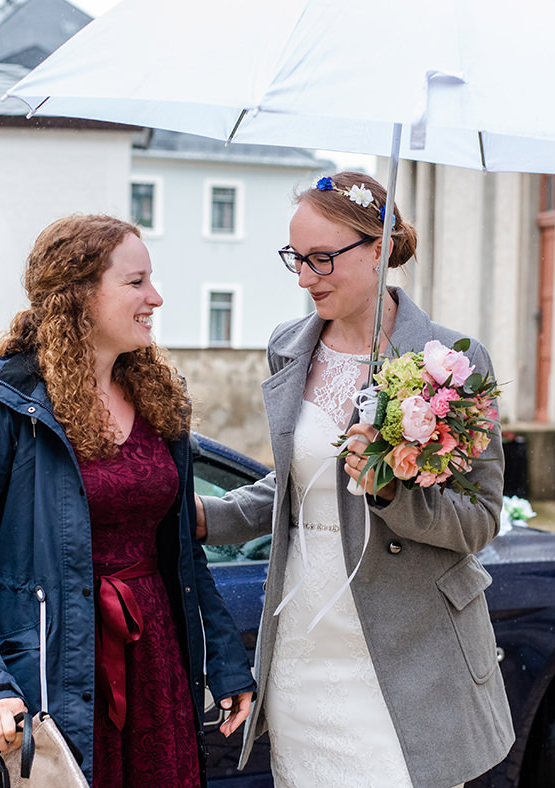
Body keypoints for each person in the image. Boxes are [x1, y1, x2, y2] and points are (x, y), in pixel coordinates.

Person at [196, 173, 514, 788]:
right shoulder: (288, 348)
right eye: (296, 257)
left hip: (411, 644)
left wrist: (393, 493)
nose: (304, 277)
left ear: (377, 249)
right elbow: (296, 485)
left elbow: (478, 519)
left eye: (322, 258)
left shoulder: (451, 361)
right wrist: (212, 517)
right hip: (306, 634)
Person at [0, 214, 255, 788]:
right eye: (136, 282)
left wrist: (223, 661)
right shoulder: (1, 405)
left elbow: (182, 553)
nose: (156, 297)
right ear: (79, 295)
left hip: (157, 664)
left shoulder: (159, 401)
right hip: (50, 669)